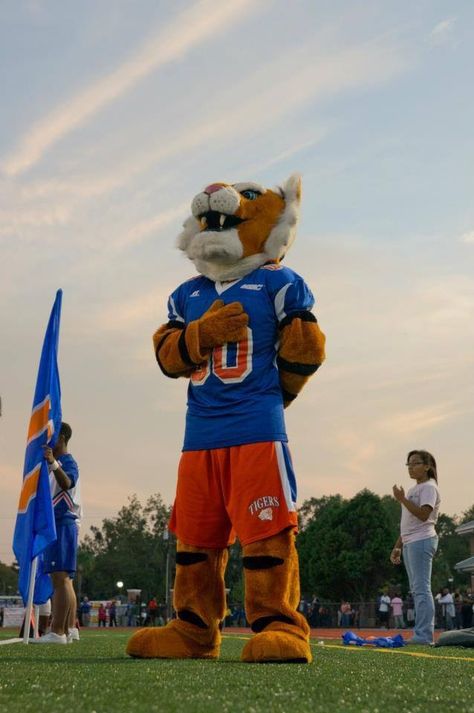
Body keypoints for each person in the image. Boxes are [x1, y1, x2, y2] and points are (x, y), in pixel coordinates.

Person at [33, 422, 81, 644]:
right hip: (61, 523)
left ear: (61, 438)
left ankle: (58, 632)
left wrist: (52, 462)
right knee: (64, 580)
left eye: (52, 436)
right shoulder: (60, 463)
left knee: (60, 578)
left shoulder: (67, 462)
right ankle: (69, 629)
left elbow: (67, 482)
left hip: (62, 523)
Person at [391, 449, 440, 645]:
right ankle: (420, 633)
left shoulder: (429, 488)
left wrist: (402, 499)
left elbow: (423, 515)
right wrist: (397, 546)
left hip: (422, 540)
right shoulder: (413, 490)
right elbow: (408, 523)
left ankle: (424, 635)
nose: (411, 467)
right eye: (408, 464)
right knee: (416, 589)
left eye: (416, 463)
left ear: (427, 466)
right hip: (411, 541)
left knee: (421, 589)